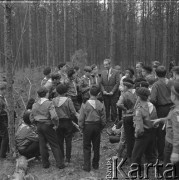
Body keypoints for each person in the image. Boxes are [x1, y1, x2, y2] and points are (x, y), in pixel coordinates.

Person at [30, 87, 65, 169]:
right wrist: (56, 124)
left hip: (39, 125)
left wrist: (36, 123)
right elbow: (54, 116)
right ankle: (60, 164)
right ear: (46, 94)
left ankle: (45, 164)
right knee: (54, 144)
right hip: (48, 125)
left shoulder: (35, 104)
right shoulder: (49, 103)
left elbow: (31, 117)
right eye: (48, 93)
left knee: (42, 145)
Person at [153, 80, 179, 178]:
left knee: (168, 171)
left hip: (172, 144)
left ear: (175, 95)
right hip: (173, 143)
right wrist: (161, 120)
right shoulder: (175, 108)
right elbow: (172, 121)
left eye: (171, 93)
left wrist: (176, 152)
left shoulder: (176, 111)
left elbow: (177, 132)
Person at [79, 85, 106, 172]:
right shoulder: (101, 104)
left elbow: (81, 118)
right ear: (98, 94)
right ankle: (95, 164)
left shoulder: (84, 104)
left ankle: (87, 166)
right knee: (96, 145)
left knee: (86, 146)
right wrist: (101, 127)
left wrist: (81, 127)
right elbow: (103, 118)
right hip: (97, 126)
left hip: (87, 126)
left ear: (89, 93)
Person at [150, 66, 173, 162]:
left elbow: (153, 99)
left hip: (161, 109)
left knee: (161, 133)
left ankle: (162, 156)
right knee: (171, 130)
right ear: (166, 73)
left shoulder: (156, 85)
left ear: (156, 74)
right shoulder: (171, 82)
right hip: (172, 107)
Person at [132, 87, 157, 168]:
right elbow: (155, 121)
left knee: (135, 156)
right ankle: (164, 171)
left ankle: (134, 173)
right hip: (152, 132)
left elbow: (139, 126)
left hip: (142, 134)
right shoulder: (152, 105)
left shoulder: (139, 109)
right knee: (150, 155)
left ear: (138, 97)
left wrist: (137, 134)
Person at [53, 84, 78, 164]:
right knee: (68, 141)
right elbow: (73, 112)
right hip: (67, 122)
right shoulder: (68, 100)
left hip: (58, 122)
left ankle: (61, 157)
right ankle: (68, 158)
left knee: (59, 140)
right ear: (65, 91)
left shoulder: (53, 100)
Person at [117, 78, 136, 161]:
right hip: (136, 116)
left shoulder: (124, 94)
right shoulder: (137, 93)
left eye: (123, 86)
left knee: (127, 137)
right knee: (135, 136)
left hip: (127, 116)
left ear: (126, 86)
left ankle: (129, 155)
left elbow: (118, 104)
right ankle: (136, 154)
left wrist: (125, 109)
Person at [0, 82, 9, 158]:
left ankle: (2, 152)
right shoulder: (0, 99)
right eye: (5, 89)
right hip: (2, 119)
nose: (6, 91)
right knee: (5, 136)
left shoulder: (3, 98)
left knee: (2, 135)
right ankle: (3, 154)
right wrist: (6, 112)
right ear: (2, 90)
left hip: (3, 119)